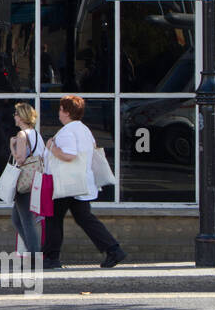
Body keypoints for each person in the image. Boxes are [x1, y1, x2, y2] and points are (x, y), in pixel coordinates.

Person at [43, 95, 128, 269]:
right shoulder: (84, 129)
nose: (59, 112)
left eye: (60, 109)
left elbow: (69, 155)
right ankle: (113, 250)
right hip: (81, 182)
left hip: (68, 183)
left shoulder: (68, 131)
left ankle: (51, 258)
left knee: (54, 218)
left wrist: (51, 146)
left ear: (66, 112)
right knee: (84, 218)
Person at [9, 102, 44, 254]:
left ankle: (35, 254)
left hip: (24, 183)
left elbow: (20, 159)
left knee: (26, 221)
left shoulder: (22, 135)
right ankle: (33, 251)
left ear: (22, 117)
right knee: (17, 220)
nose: (14, 117)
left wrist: (12, 146)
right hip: (35, 181)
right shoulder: (36, 134)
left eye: (16, 114)